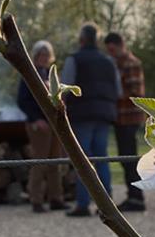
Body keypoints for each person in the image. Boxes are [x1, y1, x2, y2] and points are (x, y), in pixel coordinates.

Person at [61, 23, 122, 217]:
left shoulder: (74, 60)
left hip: (81, 115)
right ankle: (107, 202)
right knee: (102, 157)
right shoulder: (108, 62)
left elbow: (63, 89)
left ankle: (83, 202)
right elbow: (118, 91)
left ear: (82, 39)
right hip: (104, 114)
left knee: (83, 159)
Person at [17, 41, 68, 213]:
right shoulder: (29, 75)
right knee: (40, 162)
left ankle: (56, 198)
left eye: (47, 55)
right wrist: (36, 119)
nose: (44, 58)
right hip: (38, 125)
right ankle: (36, 199)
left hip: (54, 123)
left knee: (55, 161)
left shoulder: (50, 74)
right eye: (41, 55)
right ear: (36, 56)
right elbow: (23, 101)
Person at [104, 32, 146, 212]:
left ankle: (137, 198)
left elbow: (136, 92)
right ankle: (133, 195)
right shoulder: (117, 64)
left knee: (129, 159)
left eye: (112, 49)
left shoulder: (130, 63)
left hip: (129, 117)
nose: (111, 53)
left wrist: (117, 94)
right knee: (125, 158)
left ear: (121, 45)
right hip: (121, 118)